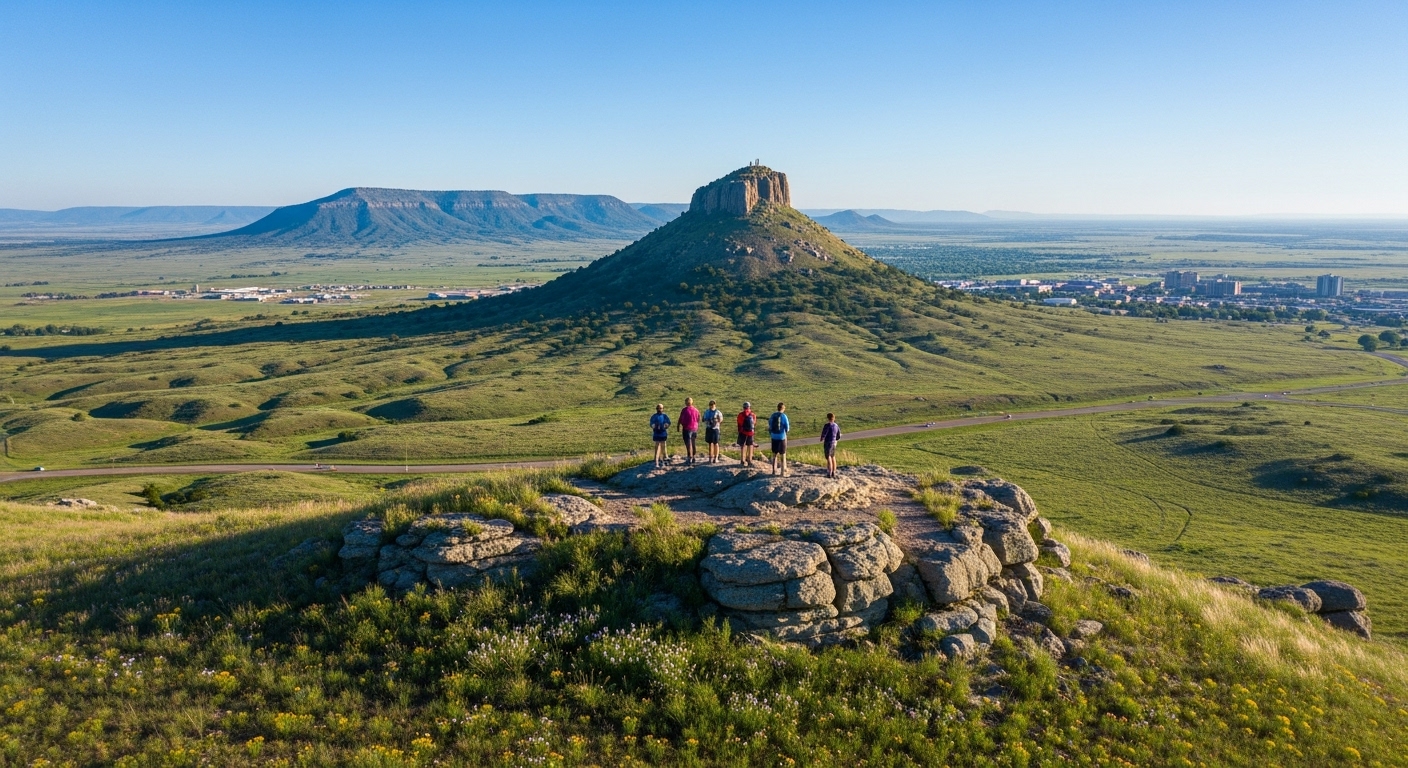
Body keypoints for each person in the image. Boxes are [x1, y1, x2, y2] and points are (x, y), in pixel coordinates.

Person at [768, 402, 790, 476]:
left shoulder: (773, 415)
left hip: (774, 436)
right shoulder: (784, 416)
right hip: (781, 437)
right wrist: (785, 433)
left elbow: (770, 425)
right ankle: (782, 472)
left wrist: (771, 433)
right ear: (783, 408)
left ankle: (774, 471)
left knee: (774, 454)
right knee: (782, 454)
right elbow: (787, 428)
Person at [678, 397, 701, 464]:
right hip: (694, 428)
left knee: (688, 443)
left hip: (687, 428)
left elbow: (681, 418)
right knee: (693, 443)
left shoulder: (685, 410)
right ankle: (693, 456)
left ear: (686, 402)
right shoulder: (696, 410)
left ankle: (689, 457)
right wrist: (696, 425)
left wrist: (680, 425)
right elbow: (698, 418)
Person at [820, 412, 842, 478]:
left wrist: (822, 438)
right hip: (834, 442)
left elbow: (824, 433)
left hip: (828, 442)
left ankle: (829, 472)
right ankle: (834, 471)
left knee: (828, 456)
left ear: (828, 418)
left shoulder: (827, 425)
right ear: (834, 418)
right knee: (833, 456)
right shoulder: (836, 425)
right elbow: (838, 435)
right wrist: (836, 439)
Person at [649, 403, 671, 468]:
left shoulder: (665, 416)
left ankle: (665, 456)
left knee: (664, 444)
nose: (659, 409)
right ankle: (656, 459)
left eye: (661, 408)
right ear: (656, 409)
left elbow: (668, 422)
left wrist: (666, 425)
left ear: (663, 409)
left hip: (663, 433)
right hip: (656, 433)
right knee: (657, 445)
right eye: (658, 408)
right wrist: (653, 426)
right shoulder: (654, 416)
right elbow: (651, 423)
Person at [736, 402, 757, 467]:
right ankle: (749, 460)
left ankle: (742, 460)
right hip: (750, 433)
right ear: (749, 407)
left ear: (743, 407)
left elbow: (739, 422)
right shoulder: (753, 415)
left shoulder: (740, 415)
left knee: (743, 445)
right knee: (750, 445)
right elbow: (754, 422)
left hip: (743, 432)